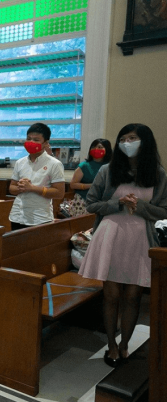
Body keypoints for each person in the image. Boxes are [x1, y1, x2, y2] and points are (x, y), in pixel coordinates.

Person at [79, 123, 167, 367]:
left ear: (145, 142)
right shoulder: (108, 170)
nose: (127, 143)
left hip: (140, 239)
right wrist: (117, 203)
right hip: (110, 234)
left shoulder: (158, 173)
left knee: (133, 295)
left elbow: (164, 210)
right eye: (123, 139)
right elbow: (92, 203)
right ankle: (111, 344)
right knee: (111, 295)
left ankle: (126, 344)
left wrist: (141, 206)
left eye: (133, 138)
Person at [8, 123, 66, 230]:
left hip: (40, 219)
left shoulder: (54, 164)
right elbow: (11, 188)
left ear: (46, 143)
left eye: (36, 139)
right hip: (17, 216)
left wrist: (32, 188)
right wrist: (21, 187)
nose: (31, 142)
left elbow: (59, 193)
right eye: (29, 138)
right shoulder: (20, 162)